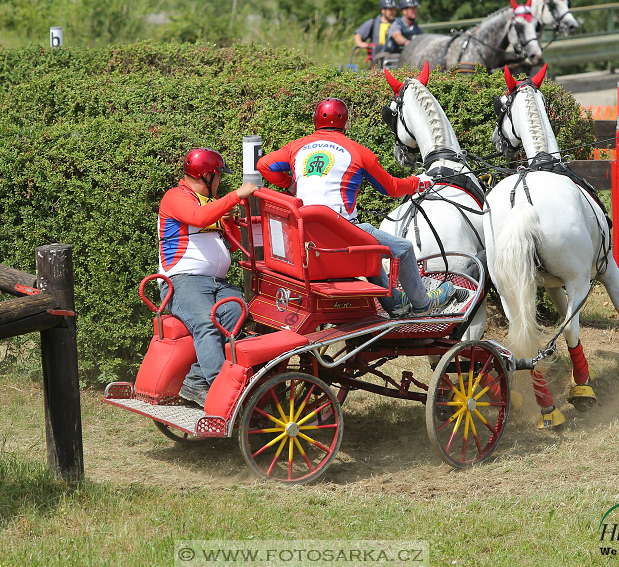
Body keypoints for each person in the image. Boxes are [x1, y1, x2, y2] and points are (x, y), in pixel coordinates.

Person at [256, 98, 455, 318]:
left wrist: (289, 184)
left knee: (368, 234)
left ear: (315, 120)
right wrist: (417, 183)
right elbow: (391, 187)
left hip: (304, 237)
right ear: (346, 122)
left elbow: (263, 165)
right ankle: (422, 303)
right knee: (403, 248)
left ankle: (395, 303)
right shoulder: (358, 152)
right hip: (343, 235)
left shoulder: (296, 147)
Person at [157, 148, 259, 406]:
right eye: (218, 176)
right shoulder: (176, 196)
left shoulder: (208, 202)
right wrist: (235, 196)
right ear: (206, 176)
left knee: (238, 314)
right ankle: (220, 389)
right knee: (206, 324)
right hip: (182, 281)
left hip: (216, 284)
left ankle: (196, 380)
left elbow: (233, 245)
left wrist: (229, 221)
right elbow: (198, 217)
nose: (221, 181)